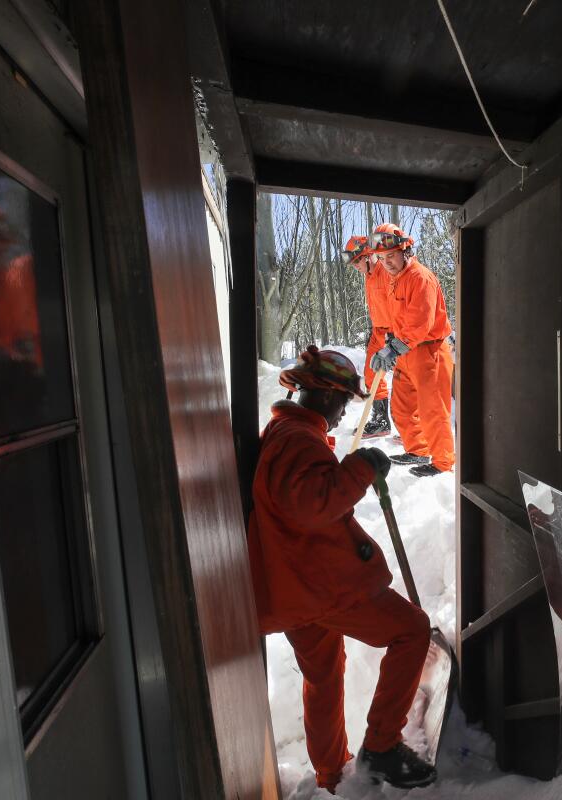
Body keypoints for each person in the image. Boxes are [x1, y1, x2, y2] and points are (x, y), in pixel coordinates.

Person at [247, 345, 436, 792]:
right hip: (318, 585)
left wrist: (352, 468)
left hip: (294, 586)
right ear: (326, 396)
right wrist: (360, 468)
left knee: (324, 676)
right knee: (411, 630)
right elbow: (312, 506)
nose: (343, 411)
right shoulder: (297, 440)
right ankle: (382, 747)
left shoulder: (285, 430)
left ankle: (331, 774)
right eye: (344, 401)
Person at [368, 223, 455, 478]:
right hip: (406, 352)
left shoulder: (420, 277)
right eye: (382, 258)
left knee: (433, 409)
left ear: (405, 250)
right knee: (402, 407)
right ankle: (418, 449)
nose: (387, 263)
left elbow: (419, 322)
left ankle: (443, 461)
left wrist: (393, 348)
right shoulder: (396, 280)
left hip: (429, 352)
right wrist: (388, 344)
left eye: (391, 256)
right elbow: (399, 319)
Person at [343, 235, 392, 439]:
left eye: (356, 262)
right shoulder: (369, 275)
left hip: (393, 331)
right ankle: (381, 421)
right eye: (353, 264)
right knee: (371, 372)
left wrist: (395, 336)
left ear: (367, 255)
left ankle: (417, 431)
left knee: (408, 380)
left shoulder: (386, 271)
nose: (355, 267)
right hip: (378, 330)